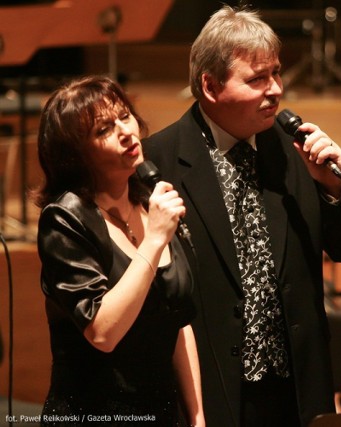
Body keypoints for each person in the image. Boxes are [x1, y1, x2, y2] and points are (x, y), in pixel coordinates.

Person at [142, 5, 341, 427]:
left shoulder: (295, 150)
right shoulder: (159, 160)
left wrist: (334, 187)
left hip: (295, 393)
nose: (275, 90)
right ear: (210, 86)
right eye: (256, 79)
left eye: (276, 73)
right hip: (211, 395)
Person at [34, 76, 205, 426]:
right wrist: (155, 240)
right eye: (104, 130)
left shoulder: (148, 199)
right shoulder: (65, 219)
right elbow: (103, 332)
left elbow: (177, 321)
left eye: (125, 117)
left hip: (161, 412)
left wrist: (197, 416)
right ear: (75, 154)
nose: (126, 132)